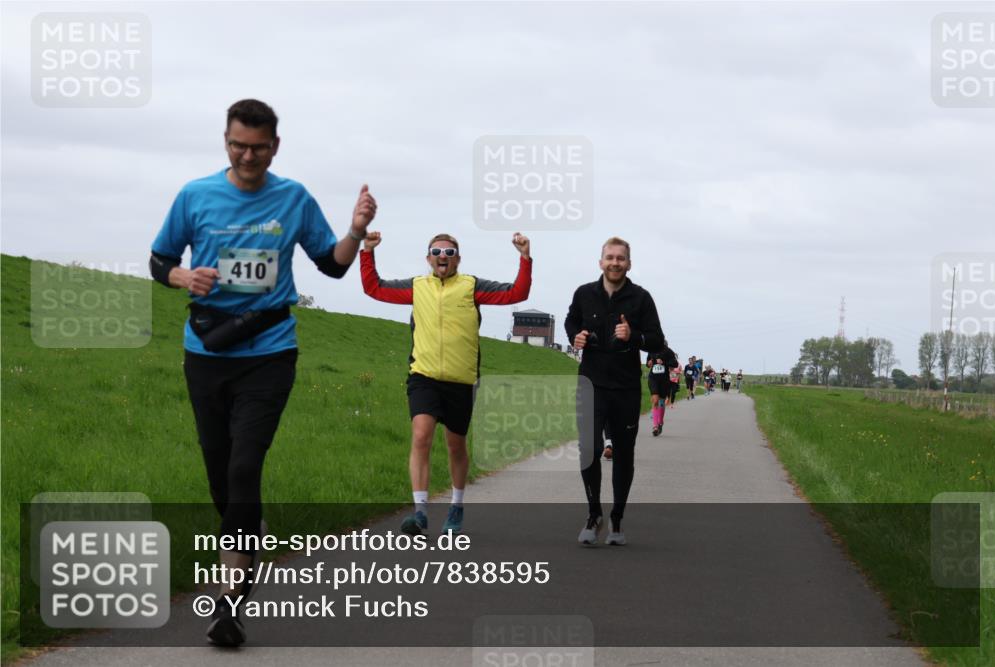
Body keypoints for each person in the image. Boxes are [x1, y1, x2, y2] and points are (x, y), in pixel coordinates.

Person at [149, 99, 376, 647]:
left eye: (257, 146)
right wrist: (183, 277)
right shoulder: (194, 195)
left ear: (275, 146)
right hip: (206, 351)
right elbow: (159, 260)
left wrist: (354, 228)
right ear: (225, 142)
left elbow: (333, 264)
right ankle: (249, 530)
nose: (246, 155)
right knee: (220, 472)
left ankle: (230, 602)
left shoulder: (293, 197)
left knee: (245, 464)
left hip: (271, 352)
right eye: (237, 145)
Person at [360, 230, 531, 536]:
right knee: (421, 435)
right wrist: (367, 251)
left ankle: (456, 507)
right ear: (428, 258)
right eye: (436, 251)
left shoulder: (472, 287)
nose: (443, 256)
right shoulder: (416, 287)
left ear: (458, 260)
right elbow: (373, 288)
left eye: (449, 253)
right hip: (423, 375)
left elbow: (516, 293)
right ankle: (420, 512)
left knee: (455, 446)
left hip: (460, 380)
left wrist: (524, 257)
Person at [566, 237, 664, 546]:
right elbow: (571, 321)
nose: (615, 263)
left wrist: (633, 335)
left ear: (629, 264)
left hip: (625, 388)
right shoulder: (584, 294)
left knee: (623, 453)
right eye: (610, 257)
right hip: (591, 385)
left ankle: (617, 517)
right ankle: (594, 513)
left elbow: (657, 340)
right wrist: (575, 337)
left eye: (621, 258)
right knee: (590, 450)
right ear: (601, 262)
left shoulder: (641, 298)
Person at [645, 345, 677, 436]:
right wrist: (649, 363)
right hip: (653, 379)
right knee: (655, 400)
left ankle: (660, 422)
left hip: (664, 380)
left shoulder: (668, 351)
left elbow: (675, 364)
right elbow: (647, 363)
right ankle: (655, 426)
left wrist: (664, 362)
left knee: (661, 402)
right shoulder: (651, 350)